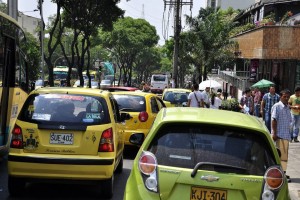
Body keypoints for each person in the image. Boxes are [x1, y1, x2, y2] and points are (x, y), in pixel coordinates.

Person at [271, 89, 292, 182]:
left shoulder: (287, 107)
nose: (286, 98)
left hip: (286, 135)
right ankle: (278, 174)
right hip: (279, 135)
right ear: (281, 96)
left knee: (284, 157)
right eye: (285, 96)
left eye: (288, 97)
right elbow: (274, 120)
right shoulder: (277, 106)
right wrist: (274, 133)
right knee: (279, 156)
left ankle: (283, 173)